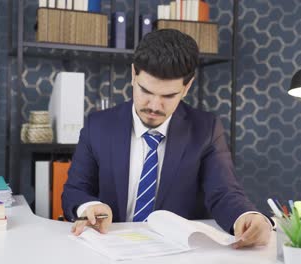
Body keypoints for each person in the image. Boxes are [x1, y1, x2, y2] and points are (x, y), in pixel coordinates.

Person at [62, 29, 272, 249]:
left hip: (177, 253)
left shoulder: (206, 129)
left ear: (187, 87)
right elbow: (75, 189)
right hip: (110, 248)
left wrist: (246, 216)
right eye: (146, 91)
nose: (154, 106)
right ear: (134, 74)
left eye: (168, 96)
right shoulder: (98, 125)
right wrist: (89, 206)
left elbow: (224, 192)